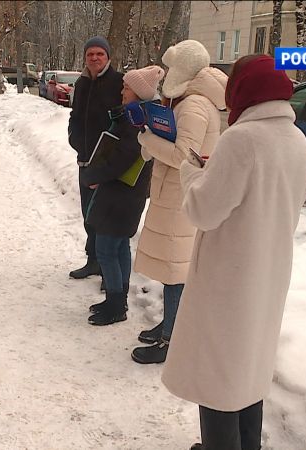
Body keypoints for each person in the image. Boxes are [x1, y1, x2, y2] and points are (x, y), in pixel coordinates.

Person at [161, 53, 306, 450]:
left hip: (229, 280)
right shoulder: (296, 139)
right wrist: (219, 172)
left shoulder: (241, 139)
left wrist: (192, 171)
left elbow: (203, 210)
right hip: (269, 271)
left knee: (218, 378)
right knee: (248, 372)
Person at [130, 40, 228, 364]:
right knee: (171, 271)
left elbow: (180, 155)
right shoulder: (187, 102)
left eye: (172, 67)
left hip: (181, 199)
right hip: (173, 196)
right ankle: (168, 326)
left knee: (175, 273)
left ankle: (171, 341)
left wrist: (146, 138)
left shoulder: (195, 106)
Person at [82, 66, 164, 326]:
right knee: (117, 247)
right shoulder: (137, 116)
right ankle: (117, 301)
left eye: (127, 87)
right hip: (125, 193)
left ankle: (117, 305)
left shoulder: (136, 121)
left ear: (139, 93)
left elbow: (122, 159)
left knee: (107, 248)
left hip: (121, 194)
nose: (122, 90)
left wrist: (95, 174)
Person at [67, 36, 124, 282]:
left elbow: (123, 123)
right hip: (84, 160)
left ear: (108, 57)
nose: (94, 58)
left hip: (108, 165)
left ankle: (108, 270)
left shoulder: (119, 82)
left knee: (105, 218)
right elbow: (75, 116)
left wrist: (108, 157)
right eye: (90, 54)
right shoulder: (81, 84)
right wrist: (74, 138)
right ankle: (92, 261)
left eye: (99, 54)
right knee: (88, 215)